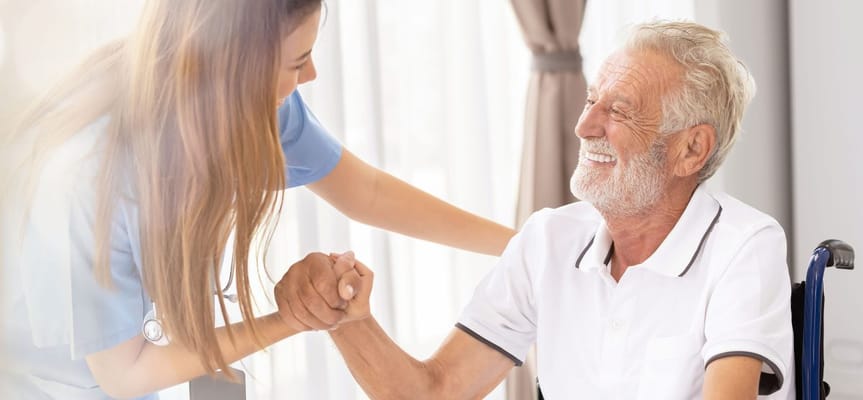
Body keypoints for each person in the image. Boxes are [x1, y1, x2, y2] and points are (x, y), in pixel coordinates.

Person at [0, 1, 515, 398]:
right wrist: (292, 318)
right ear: (231, 65)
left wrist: (526, 243)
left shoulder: (256, 109)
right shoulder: (91, 176)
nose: (310, 77)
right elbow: (123, 373)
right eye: (299, 60)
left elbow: (369, 193)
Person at [286, 20, 795, 399]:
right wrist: (348, 319)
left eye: (618, 111)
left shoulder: (745, 244)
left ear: (690, 150)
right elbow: (434, 391)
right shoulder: (548, 239)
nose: (585, 126)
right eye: (591, 101)